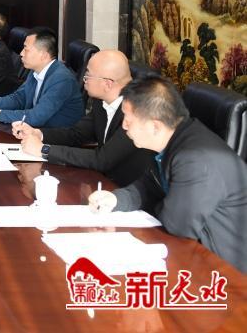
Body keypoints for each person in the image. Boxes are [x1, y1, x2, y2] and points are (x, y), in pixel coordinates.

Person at [88, 76, 247, 273]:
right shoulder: (170, 141)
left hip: (225, 275)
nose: (124, 126)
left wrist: (160, 203)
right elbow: (149, 186)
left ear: (155, 126)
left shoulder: (196, 159)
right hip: (190, 256)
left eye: (128, 120)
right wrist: (115, 199)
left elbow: (176, 226)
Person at [14, 50, 154, 186]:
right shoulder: (101, 101)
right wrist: (38, 133)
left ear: (107, 84)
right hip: (102, 181)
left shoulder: (136, 113)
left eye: (88, 75)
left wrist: (44, 150)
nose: (84, 79)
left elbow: (102, 160)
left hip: (131, 190)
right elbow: (76, 134)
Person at [0, 27, 83, 128]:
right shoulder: (36, 70)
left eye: (26, 49)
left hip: (56, 137)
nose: (21, 53)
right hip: (36, 130)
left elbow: (37, 116)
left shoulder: (61, 79)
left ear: (43, 55)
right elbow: (19, 98)